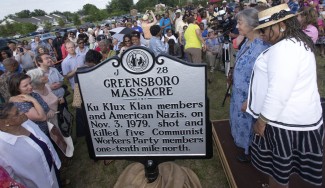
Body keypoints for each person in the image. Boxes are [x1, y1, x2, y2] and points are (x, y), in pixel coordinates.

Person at [246, 4, 323, 187]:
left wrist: (262, 121)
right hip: (297, 118)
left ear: (281, 26)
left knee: (278, 170)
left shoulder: (284, 49)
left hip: (283, 122)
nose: (262, 34)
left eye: (264, 29)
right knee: (285, 169)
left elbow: (279, 90)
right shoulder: (297, 42)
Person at [229, 8, 271, 163]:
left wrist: (251, 100)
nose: (237, 26)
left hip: (250, 97)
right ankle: (243, 146)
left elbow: (264, 79)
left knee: (249, 125)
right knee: (240, 123)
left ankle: (250, 152)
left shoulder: (262, 47)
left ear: (253, 25)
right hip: (239, 93)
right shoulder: (248, 41)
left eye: (240, 22)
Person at [0, 103, 61, 188]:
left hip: (52, 170)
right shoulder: (2, 148)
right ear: (6, 122)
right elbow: (9, 178)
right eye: (17, 113)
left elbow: (42, 141)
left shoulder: (26, 122)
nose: (22, 112)